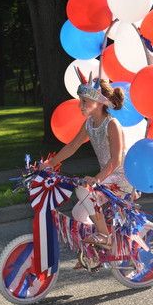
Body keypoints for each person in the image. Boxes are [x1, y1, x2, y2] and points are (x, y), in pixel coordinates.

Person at [42, 68, 133, 253]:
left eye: (84, 102)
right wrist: (50, 163)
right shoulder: (89, 123)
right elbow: (72, 146)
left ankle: (105, 237)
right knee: (78, 213)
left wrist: (97, 179)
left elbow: (116, 161)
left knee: (84, 190)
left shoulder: (112, 125)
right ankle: (95, 252)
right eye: (80, 101)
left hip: (121, 179)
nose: (80, 106)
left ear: (99, 103)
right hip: (106, 177)